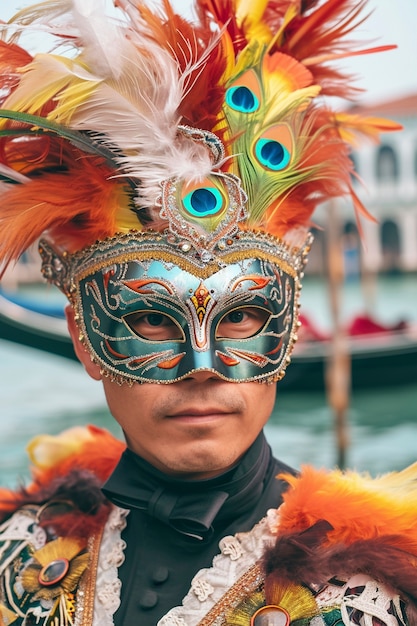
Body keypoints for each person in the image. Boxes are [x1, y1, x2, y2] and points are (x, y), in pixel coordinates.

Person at [0, 0, 416, 624]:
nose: (202, 366)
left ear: (290, 327)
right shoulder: (22, 547)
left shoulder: (369, 592)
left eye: (242, 317)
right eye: (151, 319)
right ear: (84, 340)